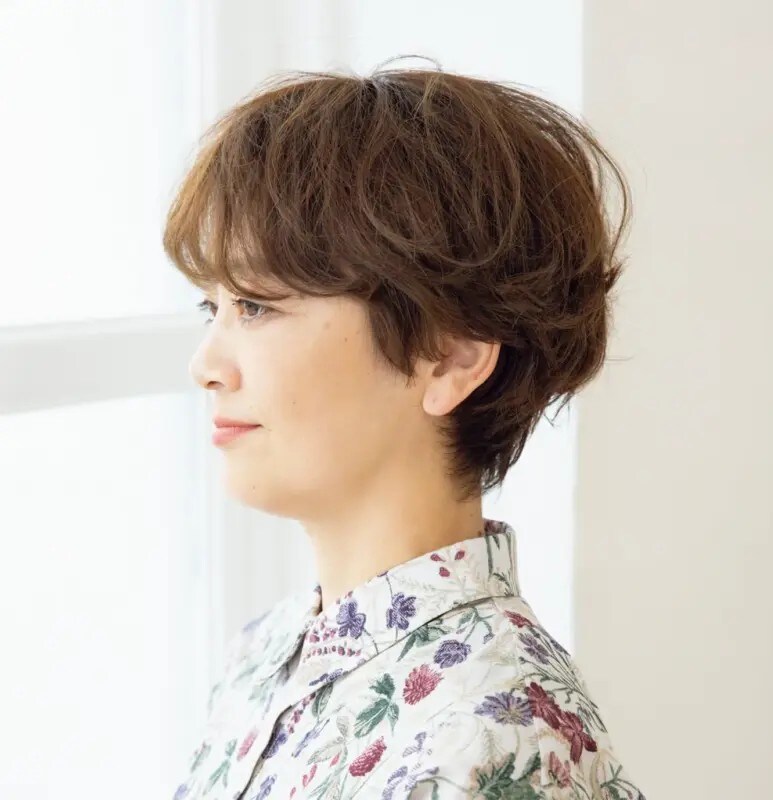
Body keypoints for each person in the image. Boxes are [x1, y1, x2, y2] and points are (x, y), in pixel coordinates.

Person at [163, 57, 644, 799]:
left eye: (256, 305)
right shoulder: (263, 657)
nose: (206, 365)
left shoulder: (494, 736)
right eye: (212, 308)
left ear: (451, 356)